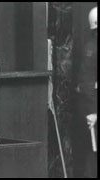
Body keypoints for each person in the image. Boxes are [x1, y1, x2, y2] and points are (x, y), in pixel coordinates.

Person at [72, 6, 97, 178]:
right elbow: (86, 84)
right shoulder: (91, 49)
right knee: (92, 156)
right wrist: (92, 112)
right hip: (92, 109)